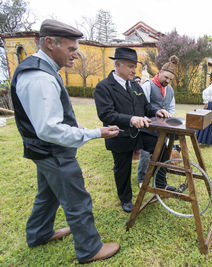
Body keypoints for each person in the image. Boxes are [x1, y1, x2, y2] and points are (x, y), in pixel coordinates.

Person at [10, 19, 120, 264]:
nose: (76, 55)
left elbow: (45, 118)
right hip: (53, 152)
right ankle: (90, 249)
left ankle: (39, 233)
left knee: (47, 194)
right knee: (77, 200)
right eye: (71, 49)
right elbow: (48, 129)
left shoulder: (41, 69)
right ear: (49, 43)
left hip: (43, 152)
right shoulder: (40, 77)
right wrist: (94, 133)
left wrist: (74, 127)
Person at [94, 47, 171, 213]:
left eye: (135, 66)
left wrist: (156, 111)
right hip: (119, 135)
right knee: (123, 168)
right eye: (130, 66)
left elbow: (145, 106)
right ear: (117, 65)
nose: (134, 70)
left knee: (162, 149)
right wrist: (130, 119)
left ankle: (160, 184)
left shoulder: (135, 86)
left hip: (140, 133)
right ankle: (125, 199)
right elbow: (106, 115)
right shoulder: (104, 87)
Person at [137, 56, 178, 188]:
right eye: (166, 77)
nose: (168, 81)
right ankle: (142, 178)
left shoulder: (170, 90)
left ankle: (159, 180)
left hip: (163, 128)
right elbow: (142, 106)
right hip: (147, 126)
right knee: (145, 155)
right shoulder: (148, 85)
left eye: (170, 79)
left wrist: (168, 117)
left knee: (162, 153)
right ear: (160, 72)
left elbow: (171, 107)